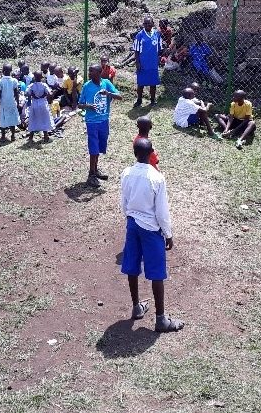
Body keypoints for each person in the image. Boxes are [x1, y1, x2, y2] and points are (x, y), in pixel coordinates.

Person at [119, 137, 184, 333]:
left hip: (132, 224)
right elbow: (162, 212)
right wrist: (168, 234)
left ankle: (137, 306)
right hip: (151, 229)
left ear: (134, 153)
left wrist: (130, 218)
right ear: (152, 153)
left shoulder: (126, 173)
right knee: (156, 272)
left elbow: (124, 201)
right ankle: (161, 320)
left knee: (132, 266)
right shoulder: (157, 177)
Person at [78, 64, 122, 187]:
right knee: (93, 148)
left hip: (104, 120)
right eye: (89, 71)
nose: (89, 73)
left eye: (92, 71)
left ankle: (95, 170)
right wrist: (89, 106)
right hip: (92, 122)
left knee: (100, 147)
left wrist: (108, 93)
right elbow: (80, 104)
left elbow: (119, 96)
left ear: (99, 73)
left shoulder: (106, 83)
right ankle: (91, 175)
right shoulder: (87, 86)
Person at [133, 17, 161, 107]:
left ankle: (152, 100)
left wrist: (159, 59)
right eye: (145, 24)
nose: (147, 25)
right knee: (141, 83)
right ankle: (139, 100)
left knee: (153, 83)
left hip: (153, 63)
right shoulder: (139, 35)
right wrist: (137, 62)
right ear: (143, 24)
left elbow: (159, 48)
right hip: (143, 63)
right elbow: (136, 51)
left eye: (149, 24)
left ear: (153, 24)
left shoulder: (157, 34)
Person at [0, 64, 21, 142]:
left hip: (3, 103)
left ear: (3, 71)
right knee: (12, 118)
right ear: (11, 71)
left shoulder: (0, 82)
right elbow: (16, 93)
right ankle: (13, 136)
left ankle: (3, 136)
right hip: (12, 103)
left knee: (3, 118)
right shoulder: (14, 81)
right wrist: (17, 102)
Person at [26, 71, 53, 142]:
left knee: (33, 119)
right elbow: (50, 93)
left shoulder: (31, 85)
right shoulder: (44, 85)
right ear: (41, 77)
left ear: (34, 77)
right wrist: (44, 95)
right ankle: (46, 136)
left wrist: (32, 95)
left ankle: (31, 137)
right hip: (43, 103)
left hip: (34, 103)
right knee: (44, 119)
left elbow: (27, 93)